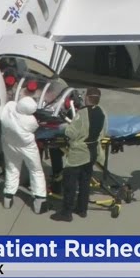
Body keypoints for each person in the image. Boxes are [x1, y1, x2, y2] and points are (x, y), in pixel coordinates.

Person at [50, 87, 107, 222]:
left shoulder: (82, 113)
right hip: (93, 152)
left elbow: (71, 133)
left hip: (79, 154)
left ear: (87, 98)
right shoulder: (102, 111)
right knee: (85, 182)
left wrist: (66, 128)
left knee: (70, 184)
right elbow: (103, 131)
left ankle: (66, 213)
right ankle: (82, 209)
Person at [1, 96, 47, 213]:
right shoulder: (31, 121)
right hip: (27, 147)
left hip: (9, 144)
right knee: (36, 171)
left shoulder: (9, 107)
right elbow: (36, 127)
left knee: (12, 169)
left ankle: (8, 198)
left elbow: (10, 104)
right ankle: (40, 200)